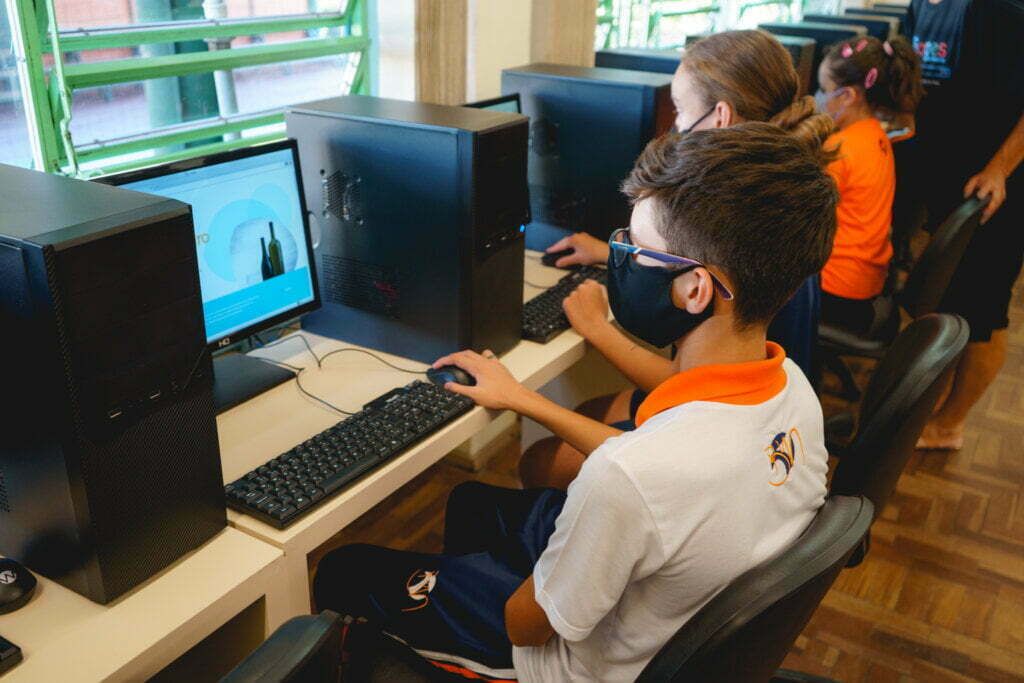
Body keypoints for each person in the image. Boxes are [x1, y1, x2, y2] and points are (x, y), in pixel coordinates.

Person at [313, 123, 838, 682]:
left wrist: (553, 569)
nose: (620, 258)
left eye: (634, 248)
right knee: (471, 505)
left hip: (556, 661)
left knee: (345, 569)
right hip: (662, 608)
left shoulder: (630, 475)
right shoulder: (795, 390)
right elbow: (662, 474)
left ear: (694, 290)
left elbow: (525, 625)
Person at [522, 29, 834, 490]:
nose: (675, 126)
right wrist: (623, 251)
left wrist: (596, 328)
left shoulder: (748, 222)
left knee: (538, 463)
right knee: (588, 411)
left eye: (680, 110)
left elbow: (684, 381)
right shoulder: (778, 196)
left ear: (721, 116)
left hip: (726, 430)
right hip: (757, 409)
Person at [901, 0, 1024, 450]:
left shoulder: (1002, 11)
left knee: (983, 312)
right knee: (949, 297)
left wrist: (998, 169)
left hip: (999, 187)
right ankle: (938, 399)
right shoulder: (922, 4)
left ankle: (951, 424)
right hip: (947, 178)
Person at [814, 36, 925, 335]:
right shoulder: (876, 135)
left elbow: (800, 217)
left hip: (837, 291)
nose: (817, 99)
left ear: (848, 96)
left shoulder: (839, 148)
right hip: (867, 283)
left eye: (823, 90)